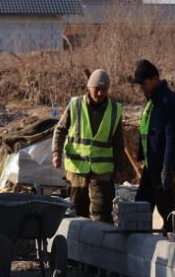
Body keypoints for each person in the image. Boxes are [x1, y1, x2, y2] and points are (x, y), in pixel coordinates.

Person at [50, 69, 125, 223]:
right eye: (96, 89)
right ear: (89, 88)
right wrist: (56, 153)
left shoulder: (114, 110)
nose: (100, 94)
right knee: (78, 210)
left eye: (103, 90)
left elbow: (118, 143)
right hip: (77, 169)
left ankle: (100, 244)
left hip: (103, 171)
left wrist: (118, 168)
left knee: (102, 211)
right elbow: (60, 129)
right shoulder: (76, 105)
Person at [129, 59, 175, 231]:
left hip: (161, 166)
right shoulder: (153, 100)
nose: (141, 88)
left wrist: (167, 168)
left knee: (166, 207)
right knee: (142, 204)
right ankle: (140, 239)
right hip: (151, 165)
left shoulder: (167, 102)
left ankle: (173, 238)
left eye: (144, 83)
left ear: (155, 79)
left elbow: (172, 137)